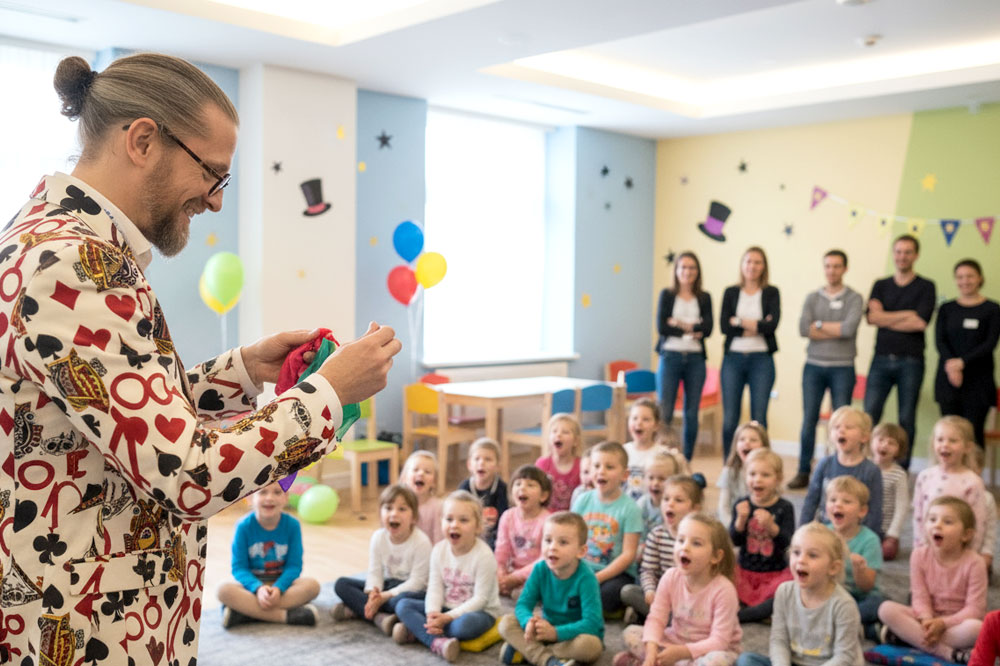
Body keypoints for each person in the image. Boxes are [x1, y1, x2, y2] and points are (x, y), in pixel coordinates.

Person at [0, 53, 401, 665]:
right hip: (87, 625)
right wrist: (328, 394)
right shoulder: (77, 263)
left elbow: (105, 411)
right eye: (213, 173)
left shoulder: (48, 237)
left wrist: (243, 369)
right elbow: (188, 472)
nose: (215, 201)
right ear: (142, 141)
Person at [613, 513, 742, 666]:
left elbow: (719, 641)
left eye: (696, 543)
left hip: (711, 650)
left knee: (717, 661)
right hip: (675, 641)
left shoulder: (724, 590)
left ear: (716, 556)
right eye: (681, 540)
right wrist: (651, 651)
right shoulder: (670, 577)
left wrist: (682, 652)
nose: (685, 547)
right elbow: (656, 619)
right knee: (631, 633)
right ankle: (657, 661)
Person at [394, 490, 502, 662]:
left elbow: (480, 599)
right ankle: (436, 641)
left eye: (463, 520)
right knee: (402, 605)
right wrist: (432, 613)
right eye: (449, 519)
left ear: (478, 526)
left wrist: (448, 618)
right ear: (442, 522)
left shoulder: (484, 556)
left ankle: (418, 631)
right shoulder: (438, 550)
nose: (454, 525)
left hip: (478, 612)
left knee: (463, 627)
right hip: (445, 608)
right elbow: (435, 587)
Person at [736, 522, 863, 666]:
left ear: (833, 568)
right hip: (794, 662)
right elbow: (779, 641)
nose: (801, 560)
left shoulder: (844, 604)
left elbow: (844, 657)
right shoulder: (784, 592)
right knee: (746, 660)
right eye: (796, 552)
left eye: (812, 555)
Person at [877, 497, 986, 665]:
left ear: (966, 535)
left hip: (956, 623)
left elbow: (975, 609)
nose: (937, 525)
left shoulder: (976, 563)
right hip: (925, 619)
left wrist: (943, 623)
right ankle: (948, 653)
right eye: (932, 519)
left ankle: (908, 638)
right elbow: (919, 597)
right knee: (886, 609)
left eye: (947, 522)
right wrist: (927, 620)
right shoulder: (919, 555)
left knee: (976, 628)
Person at [789, 250, 863, 489]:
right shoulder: (812, 298)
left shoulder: (854, 298)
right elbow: (804, 329)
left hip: (843, 367)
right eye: (828, 266)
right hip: (814, 367)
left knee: (842, 423)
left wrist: (819, 325)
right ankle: (803, 471)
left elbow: (848, 329)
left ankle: (840, 471)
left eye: (837, 266)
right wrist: (835, 329)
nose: (832, 270)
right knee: (809, 419)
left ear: (845, 269)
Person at [864, 234, 936, 469]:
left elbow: (920, 323)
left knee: (906, 418)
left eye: (907, 252)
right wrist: (907, 314)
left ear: (916, 255)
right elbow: (872, 318)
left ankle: (901, 471)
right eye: (898, 251)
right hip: (880, 359)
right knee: (870, 414)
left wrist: (885, 317)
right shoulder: (880, 285)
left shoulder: (926, 286)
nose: (902, 256)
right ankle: (865, 466)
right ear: (893, 254)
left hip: (911, 362)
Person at [498, 511, 604, 666]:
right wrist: (528, 622)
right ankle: (549, 661)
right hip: (544, 631)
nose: (552, 547)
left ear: (581, 551)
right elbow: (523, 605)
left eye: (563, 542)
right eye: (548, 540)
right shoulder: (540, 569)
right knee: (506, 623)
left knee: (591, 646)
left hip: (574, 636)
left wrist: (555, 633)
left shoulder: (587, 578)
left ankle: (527, 652)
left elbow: (592, 623)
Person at [217, 482, 321, 627]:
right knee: (223, 591)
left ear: (286, 497)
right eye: (263, 492)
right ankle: (285, 616)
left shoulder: (293, 525)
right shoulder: (243, 527)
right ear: (250, 498)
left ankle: (246, 613)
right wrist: (258, 588)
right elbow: (239, 568)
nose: (269, 498)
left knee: (312, 586)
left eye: (277, 492)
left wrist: (279, 588)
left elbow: (294, 566)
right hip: (253, 586)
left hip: (283, 585)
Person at [332, 484, 430, 635]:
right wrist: (373, 593)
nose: (394, 514)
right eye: (388, 508)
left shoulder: (422, 542)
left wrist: (384, 596)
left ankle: (358, 609)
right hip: (387, 585)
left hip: (410, 591)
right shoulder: (378, 537)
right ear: (380, 514)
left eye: (402, 509)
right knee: (342, 584)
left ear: (414, 518)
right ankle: (380, 618)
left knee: (400, 603)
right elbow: (375, 572)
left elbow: (417, 582)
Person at [720, 246, 781, 461]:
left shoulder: (771, 292)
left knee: (759, 418)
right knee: (730, 418)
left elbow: (771, 326)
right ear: (742, 265)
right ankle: (729, 465)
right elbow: (724, 327)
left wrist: (738, 321)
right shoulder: (731, 292)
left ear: (764, 266)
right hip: (733, 359)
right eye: (748, 261)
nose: (752, 266)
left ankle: (760, 464)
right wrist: (757, 324)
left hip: (761, 360)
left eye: (757, 262)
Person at [570, 441, 643, 615]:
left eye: (609, 467)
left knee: (607, 595)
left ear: (624, 475)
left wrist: (597, 578)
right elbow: (570, 537)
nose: (601, 471)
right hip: (583, 567)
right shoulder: (582, 500)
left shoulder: (631, 509)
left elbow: (628, 555)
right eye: (596, 466)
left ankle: (621, 609)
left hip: (616, 573)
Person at [934, 259, 1000, 448]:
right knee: (949, 433)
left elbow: (990, 343)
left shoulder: (992, 309)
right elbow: (940, 341)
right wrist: (952, 366)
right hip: (948, 379)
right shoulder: (946, 308)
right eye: (960, 277)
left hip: (979, 382)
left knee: (973, 434)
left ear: (980, 278)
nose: (965, 281)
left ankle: (973, 468)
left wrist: (961, 363)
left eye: (970, 276)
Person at [621, 475, 704, 624]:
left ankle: (658, 620)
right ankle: (668, 621)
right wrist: (650, 590)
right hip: (663, 599)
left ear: (694, 509)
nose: (670, 504)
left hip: (691, 600)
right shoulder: (657, 535)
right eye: (666, 499)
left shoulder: (700, 537)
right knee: (628, 592)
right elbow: (648, 570)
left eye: (678, 500)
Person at [656, 251, 714, 462]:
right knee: (665, 411)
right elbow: (662, 327)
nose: (687, 271)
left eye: (692, 267)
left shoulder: (704, 297)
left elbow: (708, 329)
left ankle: (686, 460)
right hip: (670, 357)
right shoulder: (667, 295)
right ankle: (662, 457)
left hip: (695, 360)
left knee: (691, 412)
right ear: (676, 270)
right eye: (683, 267)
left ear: (697, 271)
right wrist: (692, 328)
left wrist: (678, 323)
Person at [729, 449, 795, 624]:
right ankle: (760, 612)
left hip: (774, 574)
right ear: (745, 476)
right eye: (752, 474)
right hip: (744, 573)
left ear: (778, 479)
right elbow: (734, 541)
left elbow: (788, 543)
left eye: (765, 475)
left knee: (789, 588)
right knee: (721, 577)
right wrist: (740, 521)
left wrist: (772, 527)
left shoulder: (785, 507)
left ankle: (743, 615)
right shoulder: (741, 504)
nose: (757, 479)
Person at [912, 416, 989, 557]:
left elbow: (978, 522)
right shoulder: (924, 477)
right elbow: (918, 515)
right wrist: (920, 547)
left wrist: (971, 554)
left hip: (960, 553)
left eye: (953, 441)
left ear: (967, 447)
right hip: (930, 550)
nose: (945, 445)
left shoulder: (972, 482)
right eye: (940, 439)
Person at [800, 407, 883, 536]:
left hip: (856, 533)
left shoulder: (871, 471)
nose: (841, 430)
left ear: (864, 437)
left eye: (848, 427)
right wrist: (802, 531)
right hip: (825, 532)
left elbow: (875, 511)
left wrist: (868, 538)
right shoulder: (824, 464)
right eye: (836, 427)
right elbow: (811, 501)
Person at [824, 476, 884, 640]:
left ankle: (835, 624)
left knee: (880, 604)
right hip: (829, 594)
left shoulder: (870, 540)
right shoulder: (822, 534)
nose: (838, 505)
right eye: (833, 500)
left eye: (847, 501)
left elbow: (867, 587)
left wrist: (859, 570)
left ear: (862, 511)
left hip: (860, 597)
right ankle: (865, 630)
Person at [495, 465, 552, 599]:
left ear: (543, 496)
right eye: (518, 484)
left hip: (538, 573)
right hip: (513, 572)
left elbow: (545, 559)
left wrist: (516, 578)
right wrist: (501, 574)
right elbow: (501, 552)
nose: (522, 488)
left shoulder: (548, 521)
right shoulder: (507, 516)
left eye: (530, 485)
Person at [717, 421, 770, 526]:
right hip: (734, 523)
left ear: (764, 446)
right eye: (741, 439)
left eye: (753, 440)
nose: (747, 443)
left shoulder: (770, 472)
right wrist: (732, 527)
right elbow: (723, 507)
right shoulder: (729, 472)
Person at [458, 437, 508, 549]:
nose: (481, 463)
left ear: (498, 466)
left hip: (494, 537)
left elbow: (503, 520)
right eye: (477, 459)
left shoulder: (502, 489)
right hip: (469, 534)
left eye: (488, 459)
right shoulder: (464, 487)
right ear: (469, 464)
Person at [870, 423, 909, 561]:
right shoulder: (864, 467)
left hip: (885, 531)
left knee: (886, 553)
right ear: (871, 442)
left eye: (891, 443)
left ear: (899, 450)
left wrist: (893, 534)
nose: (885, 445)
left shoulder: (899, 475)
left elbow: (902, 506)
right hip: (863, 527)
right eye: (880, 440)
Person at [535, 412, 583, 512]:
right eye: (554, 431)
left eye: (565, 432)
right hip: (546, 516)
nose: (558, 434)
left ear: (575, 441)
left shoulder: (581, 466)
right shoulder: (542, 464)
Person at [624, 398, 668, 501]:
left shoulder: (664, 454)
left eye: (646, 419)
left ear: (656, 426)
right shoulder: (622, 451)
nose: (639, 423)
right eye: (634, 418)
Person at [403, 450, 445, 544]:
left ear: (434, 482)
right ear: (404, 478)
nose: (421, 473)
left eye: (427, 472)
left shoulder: (437, 507)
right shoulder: (399, 505)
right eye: (415, 470)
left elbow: (439, 540)